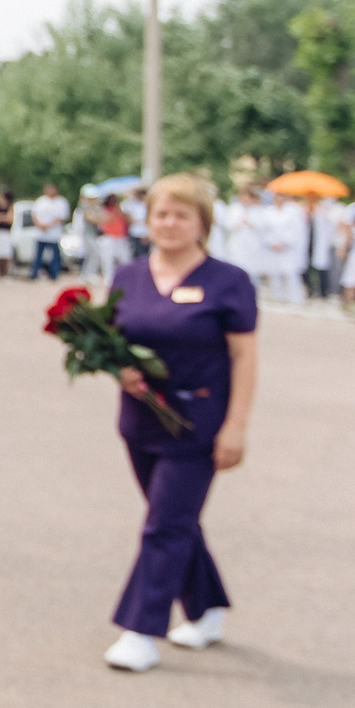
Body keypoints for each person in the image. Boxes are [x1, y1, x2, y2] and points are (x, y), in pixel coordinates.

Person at [102, 173, 258, 672]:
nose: (169, 224)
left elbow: (244, 357)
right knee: (177, 519)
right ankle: (206, 610)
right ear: (147, 222)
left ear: (202, 224)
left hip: (198, 423)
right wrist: (116, 367)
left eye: (181, 215)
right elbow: (113, 341)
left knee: (163, 525)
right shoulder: (128, 276)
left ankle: (140, 630)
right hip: (141, 422)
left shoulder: (228, 281)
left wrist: (236, 426)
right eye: (161, 214)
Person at [30, 183, 70, 279]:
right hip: (41, 233)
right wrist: (40, 225)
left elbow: (62, 217)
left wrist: (49, 225)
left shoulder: (61, 202)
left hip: (54, 233)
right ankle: (34, 274)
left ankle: (54, 274)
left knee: (55, 256)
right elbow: (34, 215)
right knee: (38, 255)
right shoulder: (41, 201)